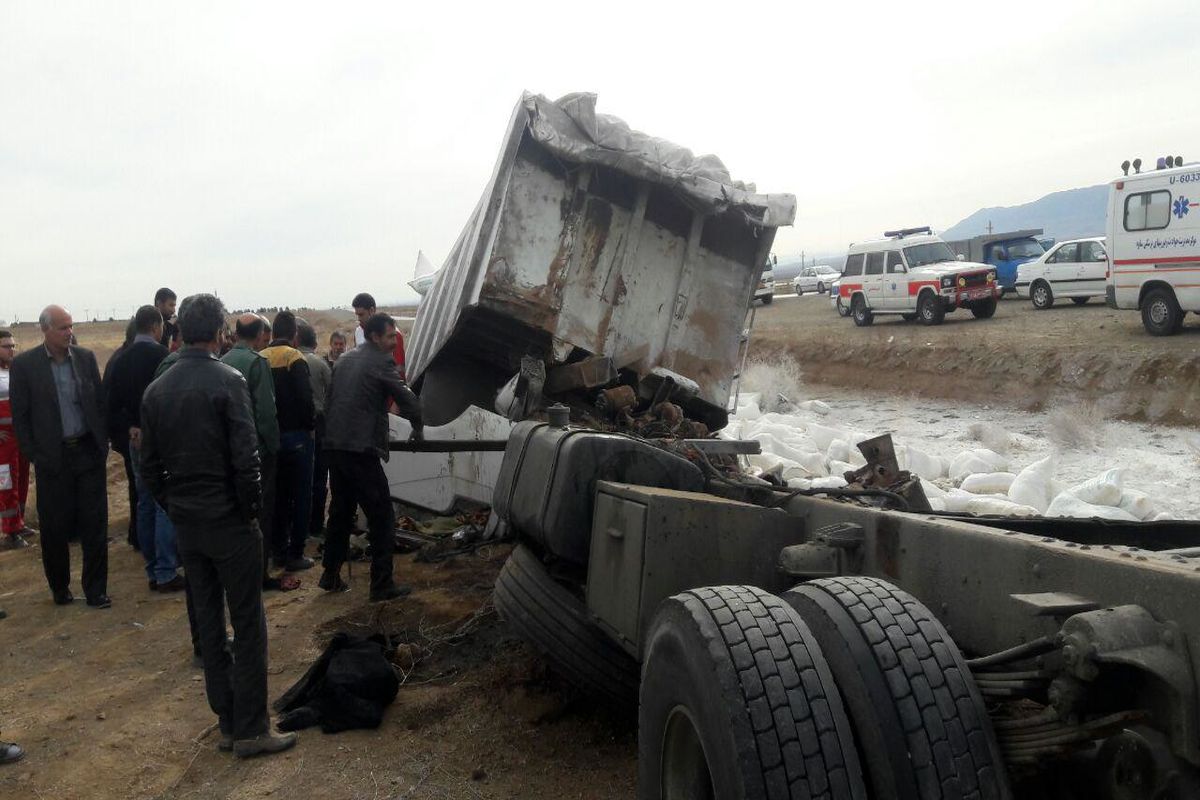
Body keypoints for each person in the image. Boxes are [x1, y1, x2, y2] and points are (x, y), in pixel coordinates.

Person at [140, 293, 297, 758]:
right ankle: (251, 727)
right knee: (248, 624)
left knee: (209, 624)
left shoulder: (156, 390)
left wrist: (176, 506)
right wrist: (249, 513)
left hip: (190, 524)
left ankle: (228, 721)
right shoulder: (227, 380)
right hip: (229, 521)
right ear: (218, 333)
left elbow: (149, 468)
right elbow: (247, 460)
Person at [10, 305, 111, 608]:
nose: (70, 332)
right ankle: (60, 588)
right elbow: (21, 416)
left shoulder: (85, 358)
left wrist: (101, 442)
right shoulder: (25, 366)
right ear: (45, 330)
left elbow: (99, 403)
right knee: (54, 527)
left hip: (88, 454)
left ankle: (96, 590)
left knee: (95, 525)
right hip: (52, 459)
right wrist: (35, 454)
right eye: (63, 328)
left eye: (71, 326)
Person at [321, 312, 422, 601]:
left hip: (336, 447)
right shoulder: (381, 361)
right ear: (376, 337)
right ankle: (381, 584)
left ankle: (330, 574)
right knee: (382, 516)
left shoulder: (344, 360)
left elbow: (330, 402)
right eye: (391, 336)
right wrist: (418, 426)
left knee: (340, 512)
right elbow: (407, 399)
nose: (394, 341)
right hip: (360, 449)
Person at [107, 305, 183, 592]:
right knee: (165, 502)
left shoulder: (120, 359)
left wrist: (130, 428)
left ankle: (153, 568)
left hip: (135, 440)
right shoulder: (162, 357)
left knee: (145, 501)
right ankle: (165, 570)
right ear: (155, 326)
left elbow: (111, 404)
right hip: (160, 439)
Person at [221, 314, 281, 586]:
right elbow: (266, 413)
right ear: (259, 336)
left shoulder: (221, 362)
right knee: (261, 512)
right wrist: (274, 446)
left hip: (227, 452)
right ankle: (260, 573)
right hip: (256, 452)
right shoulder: (257, 363)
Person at [260, 311, 315, 572]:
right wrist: (311, 426)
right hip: (297, 438)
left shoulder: (259, 358)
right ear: (295, 334)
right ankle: (295, 554)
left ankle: (278, 551)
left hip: (269, 440)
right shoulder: (295, 357)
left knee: (277, 497)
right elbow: (306, 401)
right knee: (302, 496)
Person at [103, 319, 140, 550]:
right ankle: (137, 536)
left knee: (136, 486)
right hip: (130, 435)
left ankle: (136, 533)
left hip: (122, 433)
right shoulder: (127, 360)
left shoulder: (118, 357)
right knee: (139, 487)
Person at [296, 321, 332, 537]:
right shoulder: (319, 364)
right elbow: (333, 392)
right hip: (319, 423)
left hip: (294, 425)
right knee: (319, 476)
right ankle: (316, 525)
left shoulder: (289, 361)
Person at [0, 330, 34, 548]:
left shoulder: (15, 370)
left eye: (13, 345)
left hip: (20, 436)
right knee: (6, 484)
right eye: (6, 346)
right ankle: (10, 532)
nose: (11, 349)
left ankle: (19, 523)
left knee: (21, 479)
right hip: (3, 442)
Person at [351, 293, 405, 377]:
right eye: (357, 315)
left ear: (372, 310)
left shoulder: (393, 334)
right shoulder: (358, 332)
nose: (359, 319)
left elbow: (399, 369)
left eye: (361, 314)